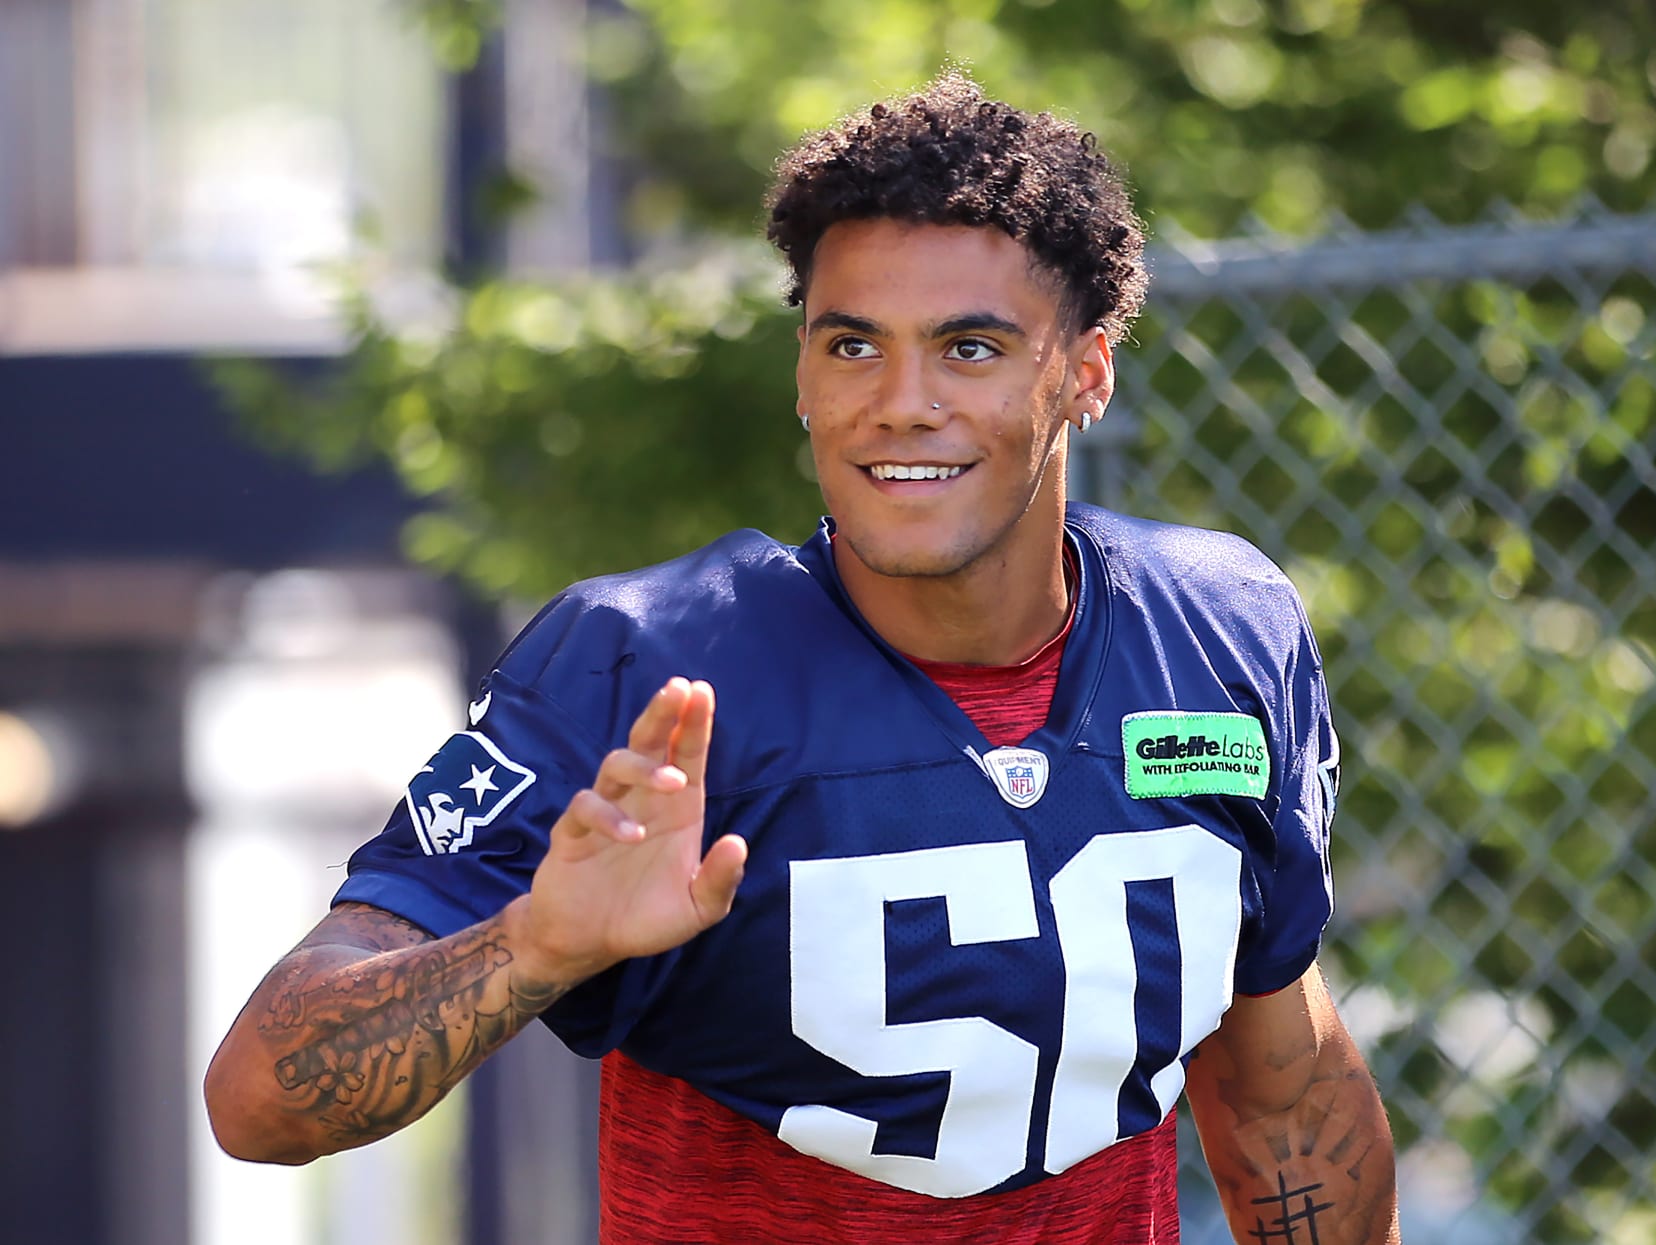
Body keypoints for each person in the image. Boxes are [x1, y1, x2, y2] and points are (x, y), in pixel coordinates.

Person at [206, 71, 1401, 1243]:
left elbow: (1278, 1085)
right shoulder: (646, 672)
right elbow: (257, 1098)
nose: (900, 402)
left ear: (1084, 372)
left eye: (970, 349)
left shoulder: (1220, 632)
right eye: (852, 347)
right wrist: (537, 945)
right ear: (803, 376)